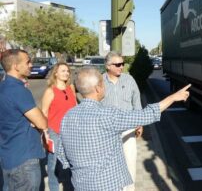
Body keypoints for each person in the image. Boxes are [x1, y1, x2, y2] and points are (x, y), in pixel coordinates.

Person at [56, 67, 190, 191]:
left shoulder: (67, 116)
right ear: (97, 88)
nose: (105, 87)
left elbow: (62, 153)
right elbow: (146, 115)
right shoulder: (107, 115)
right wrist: (173, 97)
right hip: (108, 186)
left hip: (80, 185)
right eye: (103, 84)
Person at [0, 49, 48, 191]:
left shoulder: (3, 87)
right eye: (27, 62)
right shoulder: (18, 90)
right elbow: (42, 123)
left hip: (8, 156)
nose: (31, 65)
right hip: (24, 159)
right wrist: (35, 117)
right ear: (15, 66)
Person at [101, 51, 142, 191]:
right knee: (109, 166)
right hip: (107, 132)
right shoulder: (100, 82)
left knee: (130, 163)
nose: (121, 67)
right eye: (117, 64)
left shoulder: (129, 80)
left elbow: (136, 101)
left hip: (128, 129)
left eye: (122, 64)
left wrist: (139, 123)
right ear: (107, 66)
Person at [41, 62, 76, 191]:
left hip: (71, 132)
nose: (66, 73)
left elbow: (76, 109)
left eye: (67, 71)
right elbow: (44, 112)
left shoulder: (71, 88)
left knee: (70, 163)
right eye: (63, 71)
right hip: (54, 132)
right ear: (55, 73)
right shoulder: (50, 91)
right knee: (53, 165)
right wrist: (45, 133)